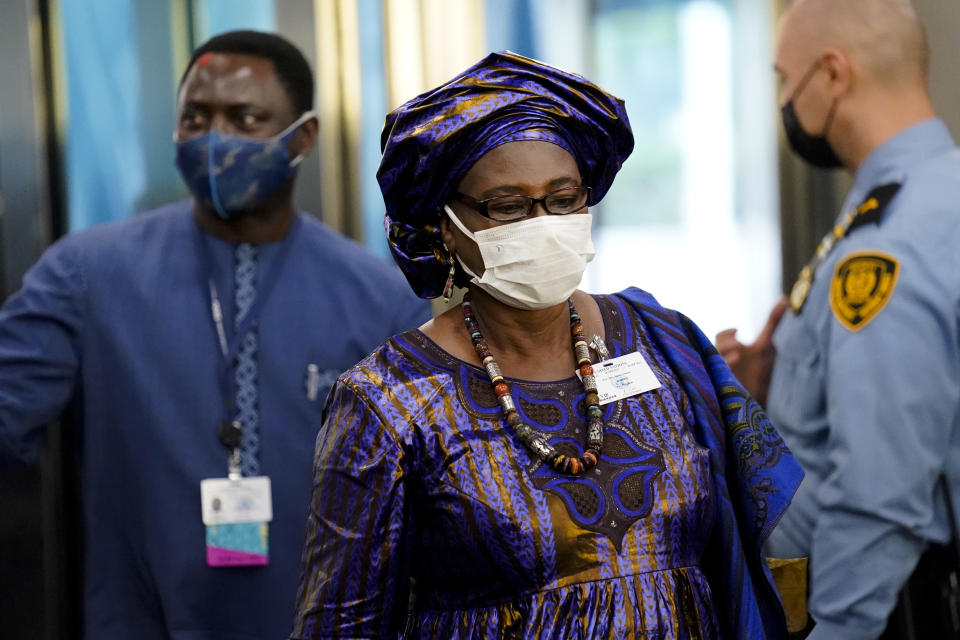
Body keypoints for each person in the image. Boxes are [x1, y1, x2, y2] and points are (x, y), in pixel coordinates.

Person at [290, 51, 802, 639]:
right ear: (444, 225)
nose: (542, 223)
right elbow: (339, 624)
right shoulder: (388, 401)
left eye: (563, 200)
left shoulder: (661, 341)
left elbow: (748, 535)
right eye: (508, 207)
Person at [0, 30, 430, 639]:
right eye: (195, 118)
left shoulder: (380, 300)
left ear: (302, 138)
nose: (214, 139)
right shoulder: (87, 274)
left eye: (245, 118)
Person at [715, 0, 960, 637]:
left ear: (831, 74)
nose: (785, 101)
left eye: (783, 79)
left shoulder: (888, 246)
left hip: (895, 611)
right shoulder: (930, 195)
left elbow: (880, 497)